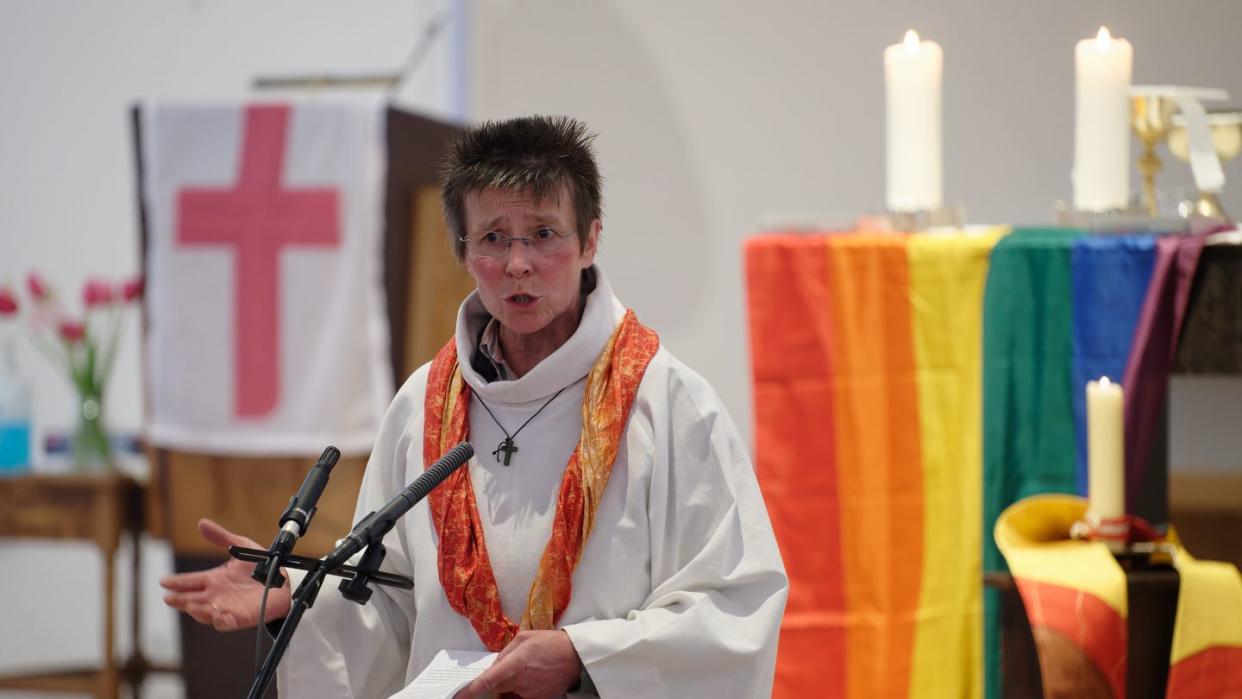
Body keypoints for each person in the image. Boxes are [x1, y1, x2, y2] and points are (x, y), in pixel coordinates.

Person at [162, 115, 788, 698]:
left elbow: (734, 603)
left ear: (591, 239)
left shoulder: (667, 402)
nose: (518, 264)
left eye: (544, 234)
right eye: (493, 238)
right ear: (463, 252)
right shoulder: (424, 407)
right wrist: (294, 595)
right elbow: (390, 603)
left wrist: (582, 655)